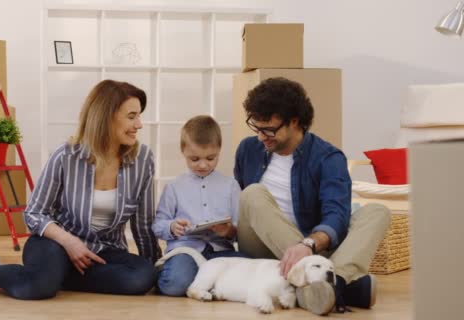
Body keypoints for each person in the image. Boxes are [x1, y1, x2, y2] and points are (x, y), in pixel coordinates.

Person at [0, 79, 162, 300]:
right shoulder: (66, 156)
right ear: (106, 117)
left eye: (139, 116)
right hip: (55, 243)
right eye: (131, 116)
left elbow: (143, 225)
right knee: (35, 289)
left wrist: (156, 269)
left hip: (104, 251)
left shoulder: (143, 159)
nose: (139, 124)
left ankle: (54, 276)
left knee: (141, 278)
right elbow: (34, 213)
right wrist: (70, 242)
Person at [233, 77, 390, 315]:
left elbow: (336, 215)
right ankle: (336, 285)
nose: (261, 136)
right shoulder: (248, 149)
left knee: (378, 212)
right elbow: (243, 205)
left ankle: (310, 289)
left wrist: (308, 244)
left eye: (269, 130)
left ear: (294, 122)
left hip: (312, 250)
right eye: (256, 128)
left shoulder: (328, 158)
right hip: (261, 248)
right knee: (253, 193)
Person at [152, 115, 245, 297]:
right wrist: (172, 227)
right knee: (173, 285)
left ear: (219, 150)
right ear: (183, 151)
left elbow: (240, 229)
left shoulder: (231, 186)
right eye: (194, 159)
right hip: (186, 250)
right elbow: (158, 224)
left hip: (220, 252)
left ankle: (202, 281)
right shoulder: (174, 187)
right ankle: (201, 280)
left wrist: (228, 231)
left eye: (211, 158)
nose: (203, 165)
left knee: (250, 264)